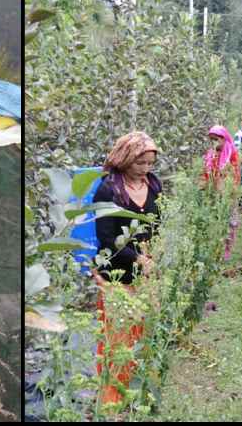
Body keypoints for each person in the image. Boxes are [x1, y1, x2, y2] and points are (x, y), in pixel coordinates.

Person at [88, 131, 162, 406]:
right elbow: (106, 237)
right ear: (124, 159)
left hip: (146, 272)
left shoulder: (153, 185)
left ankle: (135, 393)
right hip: (116, 273)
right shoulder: (109, 189)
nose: (146, 169)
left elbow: (157, 223)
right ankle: (111, 400)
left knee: (143, 334)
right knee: (117, 338)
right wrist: (137, 258)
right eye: (140, 163)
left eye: (150, 163)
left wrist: (154, 254)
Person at [203, 125, 241, 260]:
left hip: (228, 193)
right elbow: (205, 173)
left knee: (230, 221)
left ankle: (227, 250)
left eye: (216, 139)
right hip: (213, 193)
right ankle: (215, 248)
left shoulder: (232, 153)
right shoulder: (210, 154)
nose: (214, 142)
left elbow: (235, 174)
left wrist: (227, 188)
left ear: (223, 138)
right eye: (211, 140)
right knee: (215, 219)